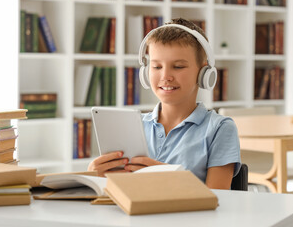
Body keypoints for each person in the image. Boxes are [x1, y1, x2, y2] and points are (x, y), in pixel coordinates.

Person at [88, 18, 241, 189]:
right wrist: (94, 177)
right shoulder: (134, 126)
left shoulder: (219, 129)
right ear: (146, 72)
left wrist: (167, 177)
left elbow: (219, 198)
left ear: (203, 73)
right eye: (157, 67)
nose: (166, 76)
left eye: (178, 66)